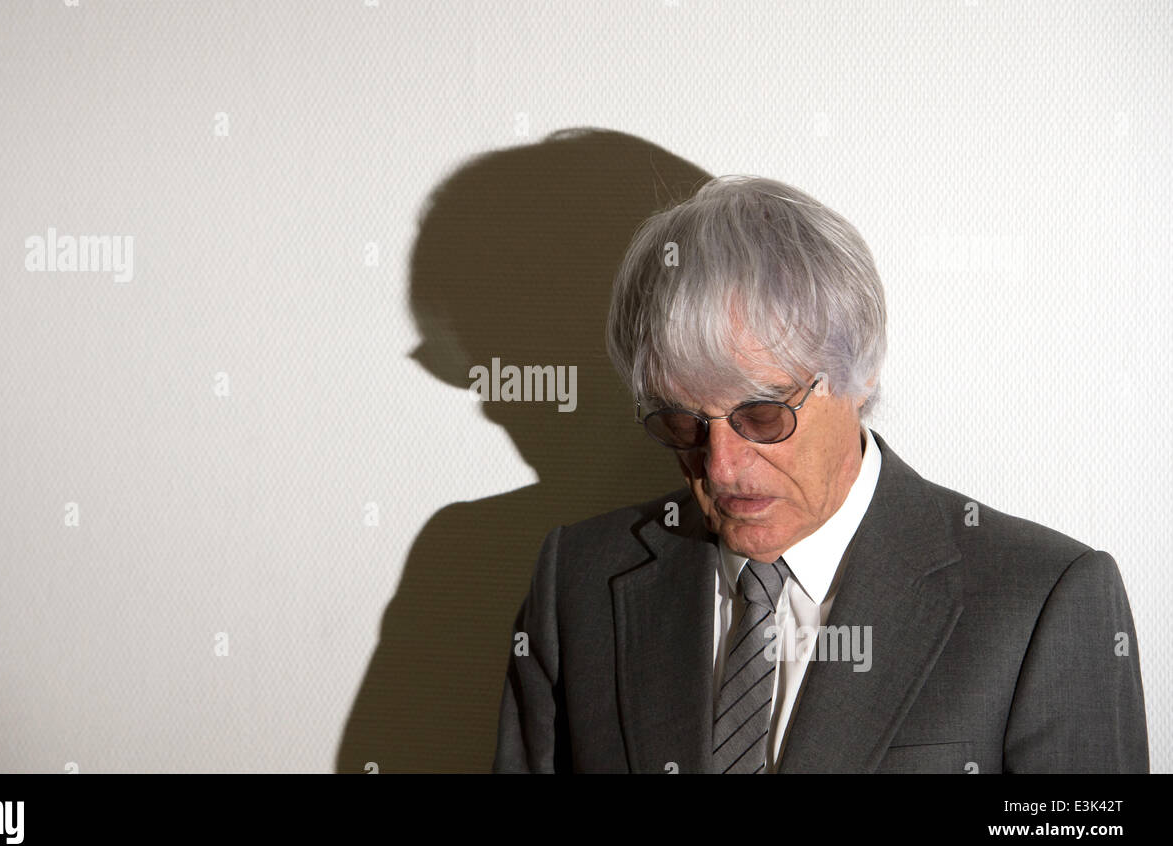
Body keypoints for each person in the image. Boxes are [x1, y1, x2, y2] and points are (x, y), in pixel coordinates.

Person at [491, 175, 1149, 773]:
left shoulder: (1043, 601)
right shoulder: (576, 583)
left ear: (858, 378)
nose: (721, 466)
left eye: (764, 414)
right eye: (682, 423)